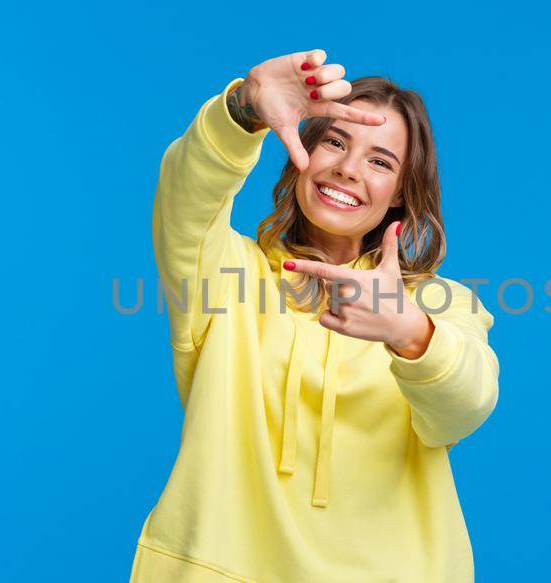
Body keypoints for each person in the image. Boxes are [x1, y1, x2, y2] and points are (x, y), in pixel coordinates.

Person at [132, 49, 500, 582]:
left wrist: (408, 332)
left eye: (380, 161)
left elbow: (464, 408)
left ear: (401, 195)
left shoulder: (441, 306)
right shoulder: (223, 274)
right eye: (335, 141)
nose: (348, 169)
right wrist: (242, 109)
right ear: (301, 151)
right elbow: (185, 194)